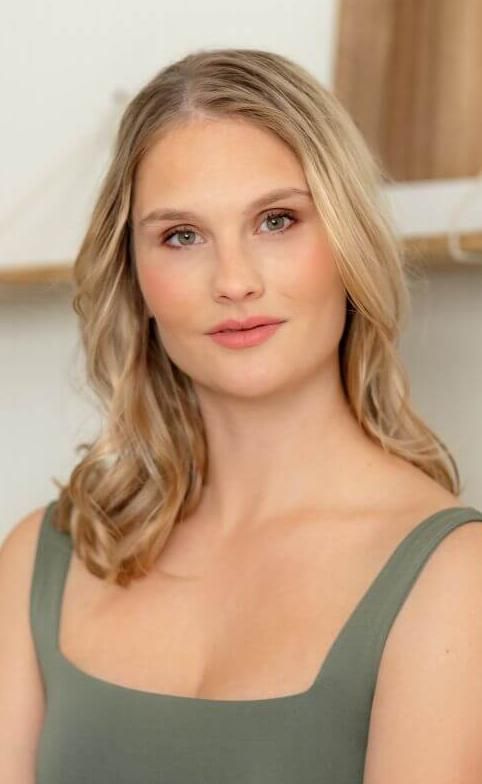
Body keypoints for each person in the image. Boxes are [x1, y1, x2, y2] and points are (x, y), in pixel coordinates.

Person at [1, 47, 482, 784]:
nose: (233, 281)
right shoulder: (43, 557)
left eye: (277, 220)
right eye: (181, 236)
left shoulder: (453, 577)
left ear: (348, 239)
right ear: (134, 275)